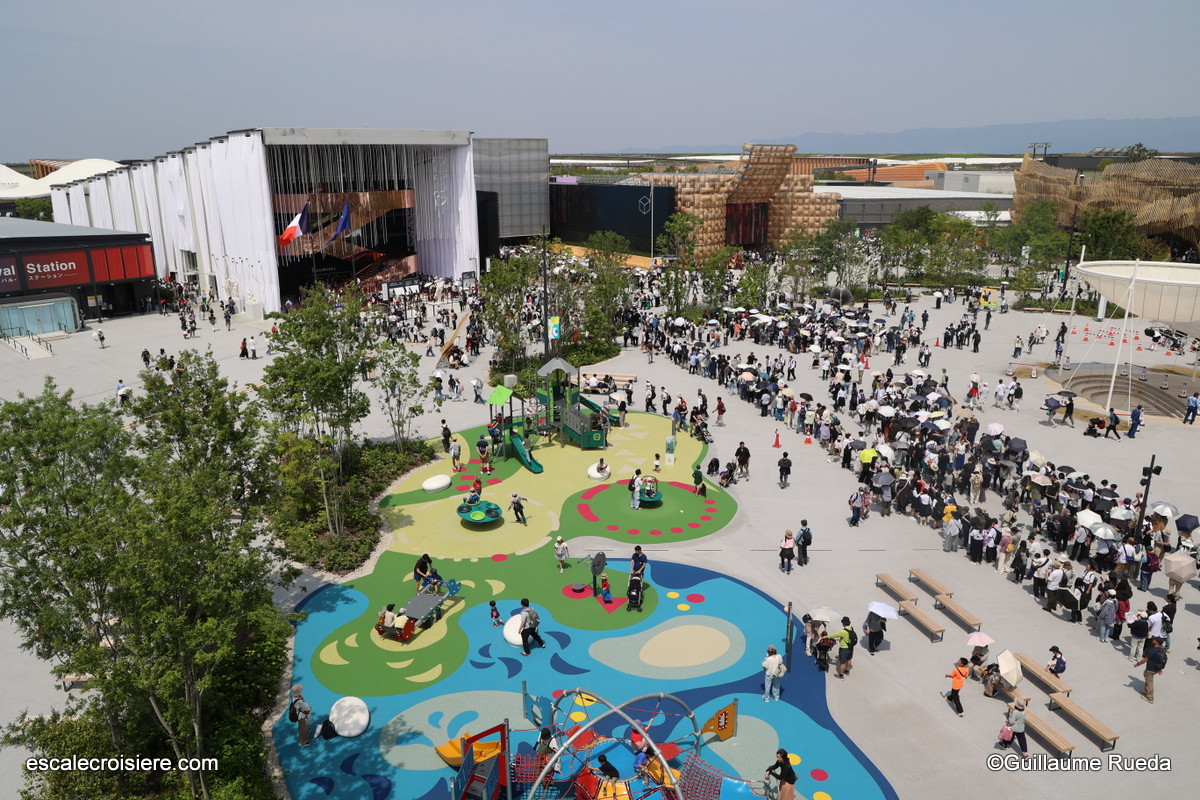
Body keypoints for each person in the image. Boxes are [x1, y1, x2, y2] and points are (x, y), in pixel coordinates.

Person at [1134, 638, 1168, 703]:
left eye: (1155, 640)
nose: (1153, 640)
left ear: (1157, 642)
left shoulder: (1152, 651)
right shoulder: (1162, 650)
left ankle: (1150, 698)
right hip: (1156, 669)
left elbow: (1145, 660)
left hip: (1150, 669)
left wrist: (1137, 664)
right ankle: (1146, 690)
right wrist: (1160, 669)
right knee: (1145, 675)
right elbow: (1162, 660)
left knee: (1149, 683)